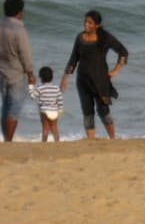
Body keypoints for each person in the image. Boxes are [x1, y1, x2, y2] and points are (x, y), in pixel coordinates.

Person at [60, 9, 128, 139]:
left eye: (90, 22)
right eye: (85, 21)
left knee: (103, 111)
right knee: (87, 112)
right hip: (82, 81)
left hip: (100, 81)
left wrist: (116, 69)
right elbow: (73, 58)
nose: (86, 24)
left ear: (97, 25)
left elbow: (123, 51)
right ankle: (91, 140)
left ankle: (113, 139)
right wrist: (65, 77)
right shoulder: (80, 38)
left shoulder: (105, 38)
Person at [0, 0, 35, 141]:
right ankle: (9, 141)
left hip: (1, 72)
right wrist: (31, 73)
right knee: (14, 109)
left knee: (5, 107)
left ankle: (6, 138)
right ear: (19, 13)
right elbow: (25, 54)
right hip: (16, 73)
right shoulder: (19, 30)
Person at [29, 66, 64, 142]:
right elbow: (60, 100)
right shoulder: (56, 88)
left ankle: (44, 143)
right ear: (52, 77)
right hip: (54, 111)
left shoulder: (40, 88)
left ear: (41, 78)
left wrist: (31, 85)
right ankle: (57, 142)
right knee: (54, 128)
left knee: (45, 128)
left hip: (44, 111)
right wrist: (60, 109)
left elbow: (32, 96)